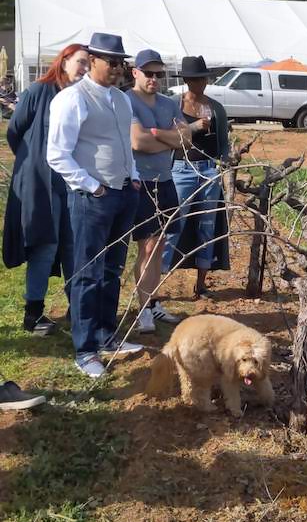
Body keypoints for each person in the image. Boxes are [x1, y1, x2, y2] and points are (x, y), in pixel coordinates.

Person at [47, 33, 143, 378]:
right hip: (92, 198)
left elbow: (125, 145)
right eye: (113, 62)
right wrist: (93, 186)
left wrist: (132, 177)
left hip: (122, 193)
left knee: (112, 270)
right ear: (93, 61)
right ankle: (85, 350)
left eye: (122, 62)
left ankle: (106, 335)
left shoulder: (121, 98)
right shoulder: (73, 99)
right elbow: (57, 153)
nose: (119, 68)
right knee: (87, 273)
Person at [3, 44, 89, 335]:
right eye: (81, 62)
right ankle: (34, 314)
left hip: (72, 182)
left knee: (73, 246)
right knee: (45, 245)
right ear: (64, 61)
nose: (85, 68)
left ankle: (78, 307)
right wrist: (35, 163)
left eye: (89, 63)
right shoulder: (38, 92)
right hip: (40, 183)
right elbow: (15, 132)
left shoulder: (83, 97)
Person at [162, 56, 230, 298]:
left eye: (201, 78)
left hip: (209, 169)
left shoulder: (216, 108)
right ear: (186, 81)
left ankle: (201, 284)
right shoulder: (173, 105)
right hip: (181, 168)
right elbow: (167, 136)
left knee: (207, 226)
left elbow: (223, 143)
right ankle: (157, 284)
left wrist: (226, 160)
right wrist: (193, 127)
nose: (198, 83)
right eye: (193, 79)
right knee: (172, 224)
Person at [128, 49, 183, 333]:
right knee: (147, 247)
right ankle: (144, 309)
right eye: (148, 73)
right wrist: (169, 139)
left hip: (165, 180)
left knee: (160, 245)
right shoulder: (127, 101)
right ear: (134, 72)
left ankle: (153, 301)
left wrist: (158, 135)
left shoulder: (169, 103)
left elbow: (184, 138)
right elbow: (138, 143)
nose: (153, 78)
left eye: (158, 74)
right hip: (141, 183)